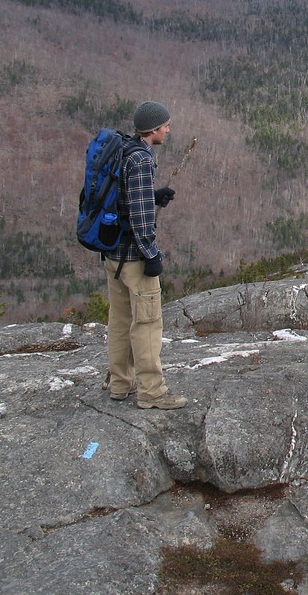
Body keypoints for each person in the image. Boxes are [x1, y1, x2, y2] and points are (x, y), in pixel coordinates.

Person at [104, 100, 186, 410]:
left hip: (113, 254)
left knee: (120, 320)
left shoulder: (123, 150)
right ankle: (151, 392)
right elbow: (139, 217)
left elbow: (126, 198)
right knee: (148, 324)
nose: (168, 129)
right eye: (165, 125)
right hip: (134, 258)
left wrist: (154, 195)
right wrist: (151, 253)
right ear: (152, 129)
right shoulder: (140, 160)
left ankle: (120, 384)